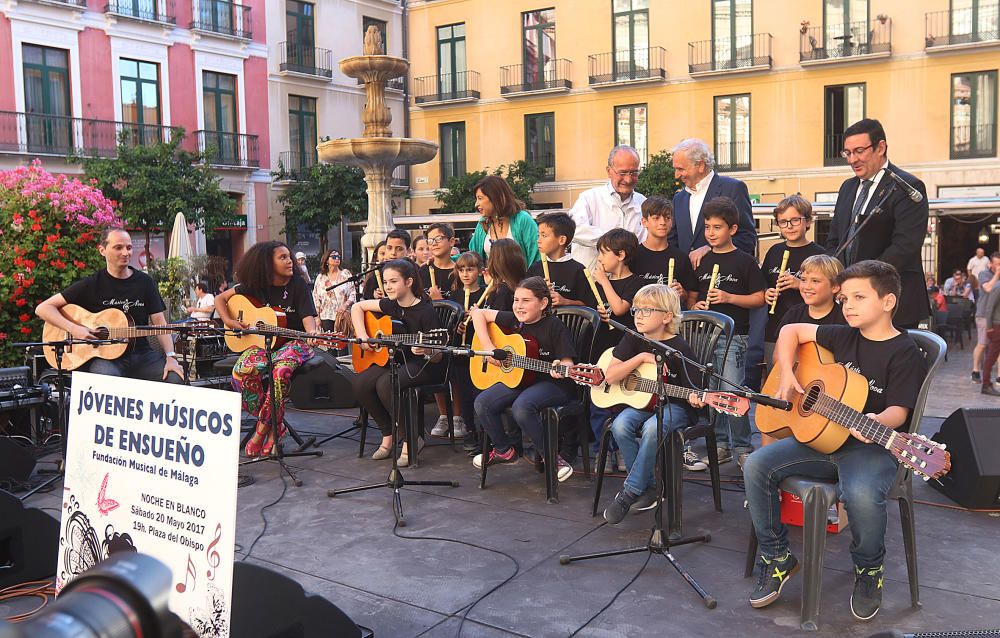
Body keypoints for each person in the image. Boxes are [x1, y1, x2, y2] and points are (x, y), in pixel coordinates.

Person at [744, 260, 928, 621]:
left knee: (859, 494)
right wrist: (785, 374)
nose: (849, 306)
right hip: (822, 440)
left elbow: (900, 413)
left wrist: (875, 420)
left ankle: (869, 569)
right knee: (756, 465)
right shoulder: (842, 333)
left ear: (888, 301)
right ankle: (778, 557)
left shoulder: (904, 352)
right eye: (844, 299)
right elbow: (791, 332)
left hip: (870, 447)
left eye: (859, 297)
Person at [601, 284, 701, 523]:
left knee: (652, 428)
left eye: (647, 310)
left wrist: (697, 397)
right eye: (636, 309)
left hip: (676, 406)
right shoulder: (633, 339)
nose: (638, 315)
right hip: (643, 404)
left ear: (667, 316)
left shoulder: (679, 348)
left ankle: (631, 491)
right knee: (621, 425)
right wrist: (642, 357)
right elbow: (611, 376)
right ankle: (651, 486)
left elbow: (694, 389)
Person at [35, 226, 184, 384]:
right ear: (102, 250)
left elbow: (160, 324)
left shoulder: (145, 282)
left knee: (175, 379)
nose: (125, 253)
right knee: (106, 382)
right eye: (118, 247)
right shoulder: (92, 284)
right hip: (105, 358)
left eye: (129, 247)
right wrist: (74, 329)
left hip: (141, 355)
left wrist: (171, 357)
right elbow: (43, 308)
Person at [215, 241, 319, 457]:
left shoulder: (298, 285)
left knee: (279, 373)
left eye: (288, 256)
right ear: (266, 264)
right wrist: (230, 321)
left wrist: (313, 335)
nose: (289, 260)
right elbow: (220, 299)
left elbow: (309, 320)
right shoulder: (254, 286)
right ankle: (276, 424)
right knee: (240, 372)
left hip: (294, 343)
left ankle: (262, 430)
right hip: (264, 345)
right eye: (282, 257)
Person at [825, 118, 930, 329]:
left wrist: (861, 281)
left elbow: (905, 246)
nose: (852, 159)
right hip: (851, 304)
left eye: (859, 151)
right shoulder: (847, 187)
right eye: (847, 153)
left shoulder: (908, 186)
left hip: (892, 303)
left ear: (880, 147)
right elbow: (835, 239)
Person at [470, 276, 577, 481]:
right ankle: (503, 450)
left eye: (526, 301)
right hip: (522, 380)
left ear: (543, 303)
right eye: (516, 300)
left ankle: (552, 459)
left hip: (553, 383)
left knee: (522, 406)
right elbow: (478, 314)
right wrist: (489, 348)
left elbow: (568, 363)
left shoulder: (554, 326)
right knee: (483, 402)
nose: (518, 306)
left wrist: (560, 367)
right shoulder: (514, 321)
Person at [689, 197, 766, 468]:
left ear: (732, 230)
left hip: (734, 337)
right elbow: (691, 297)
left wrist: (728, 297)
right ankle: (720, 445)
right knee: (712, 392)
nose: (711, 233)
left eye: (717, 227)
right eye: (708, 227)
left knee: (732, 392)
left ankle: (744, 447)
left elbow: (759, 298)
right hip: (705, 337)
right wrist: (695, 305)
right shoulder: (701, 260)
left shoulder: (744, 261)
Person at [350, 258, 444, 467]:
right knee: (360, 384)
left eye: (393, 281)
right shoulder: (390, 305)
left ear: (409, 282)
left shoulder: (425, 311)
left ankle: (412, 439)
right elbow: (357, 307)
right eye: (385, 282)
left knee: (386, 383)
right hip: (397, 361)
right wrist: (364, 336)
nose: (387, 287)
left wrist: (428, 349)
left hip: (424, 365)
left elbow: (438, 356)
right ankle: (388, 434)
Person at [669, 138, 757, 267]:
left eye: (681, 169)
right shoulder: (679, 199)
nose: (676, 175)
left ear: (701, 165)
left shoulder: (733, 188)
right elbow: (673, 242)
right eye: (675, 169)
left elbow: (747, 238)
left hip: (724, 278)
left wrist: (711, 248)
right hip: (688, 283)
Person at [761, 195, 827, 361]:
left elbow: (829, 293)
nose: (789, 227)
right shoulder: (774, 251)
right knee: (775, 377)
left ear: (808, 222)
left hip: (808, 328)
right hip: (775, 327)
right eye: (783, 222)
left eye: (795, 220)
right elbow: (763, 285)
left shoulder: (819, 255)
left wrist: (800, 284)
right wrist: (766, 293)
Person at [567, 145, 647, 269]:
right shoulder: (589, 198)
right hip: (590, 281)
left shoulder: (643, 203)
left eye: (634, 172)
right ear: (609, 171)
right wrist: (615, 242)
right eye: (623, 172)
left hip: (629, 281)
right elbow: (574, 229)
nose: (628, 179)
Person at [448, 251, 486, 453]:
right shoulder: (454, 296)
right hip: (460, 353)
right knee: (463, 394)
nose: (465, 274)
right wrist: (457, 328)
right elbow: (448, 328)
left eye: (470, 269)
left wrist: (478, 316)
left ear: (480, 271)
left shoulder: (486, 295)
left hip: (479, 352)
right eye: (461, 269)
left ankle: (485, 432)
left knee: (478, 392)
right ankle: (470, 430)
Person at [630, 196, 698, 303]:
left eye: (667, 218)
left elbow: (689, 296)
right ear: (644, 222)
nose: (662, 222)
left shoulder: (681, 258)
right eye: (656, 218)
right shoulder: (633, 256)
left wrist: (682, 293)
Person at [468, 175, 540, 267]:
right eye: (476, 199)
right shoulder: (482, 224)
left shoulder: (523, 219)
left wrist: (528, 281)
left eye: (480, 198)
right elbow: (473, 259)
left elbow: (536, 257)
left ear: (495, 197)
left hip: (522, 280)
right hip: (490, 281)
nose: (476, 204)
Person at [527, 212, 594, 308]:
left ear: (562, 240)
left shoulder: (578, 270)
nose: (538, 240)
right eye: (538, 235)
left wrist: (565, 302)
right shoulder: (535, 268)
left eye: (544, 236)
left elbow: (588, 305)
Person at [312, 249, 355, 334]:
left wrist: (345, 305)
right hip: (326, 316)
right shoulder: (321, 277)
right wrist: (317, 317)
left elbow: (352, 293)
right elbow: (316, 298)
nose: (337, 259)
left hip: (342, 315)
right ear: (327, 260)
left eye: (339, 257)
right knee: (329, 343)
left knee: (342, 344)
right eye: (334, 257)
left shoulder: (346, 274)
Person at [363, 229, 410, 300]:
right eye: (389, 248)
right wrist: (374, 294)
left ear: (408, 251)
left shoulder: (415, 270)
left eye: (399, 249)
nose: (393, 253)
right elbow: (366, 294)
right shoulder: (378, 271)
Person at [977, 251, 1000, 395]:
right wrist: (990, 327)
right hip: (996, 324)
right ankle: (985, 382)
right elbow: (990, 307)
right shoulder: (995, 284)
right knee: (990, 354)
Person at [420, 222, 457, 301]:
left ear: (451, 241)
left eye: (438, 239)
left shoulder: (460, 272)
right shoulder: (423, 271)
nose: (434, 243)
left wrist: (439, 301)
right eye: (430, 240)